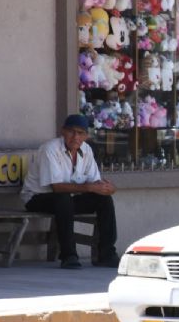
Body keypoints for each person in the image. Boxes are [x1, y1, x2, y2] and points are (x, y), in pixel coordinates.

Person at [21, 114, 119, 269]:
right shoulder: (50, 149)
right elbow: (57, 187)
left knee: (103, 200)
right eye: (71, 131)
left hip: (67, 198)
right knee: (63, 198)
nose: (75, 137)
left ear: (86, 136)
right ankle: (69, 255)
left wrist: (109, 189)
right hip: (37, 198)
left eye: (80, 133)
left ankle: (107, 254)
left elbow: (95, 183)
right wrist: (89, 187)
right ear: (63, 132)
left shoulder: (86, 150)